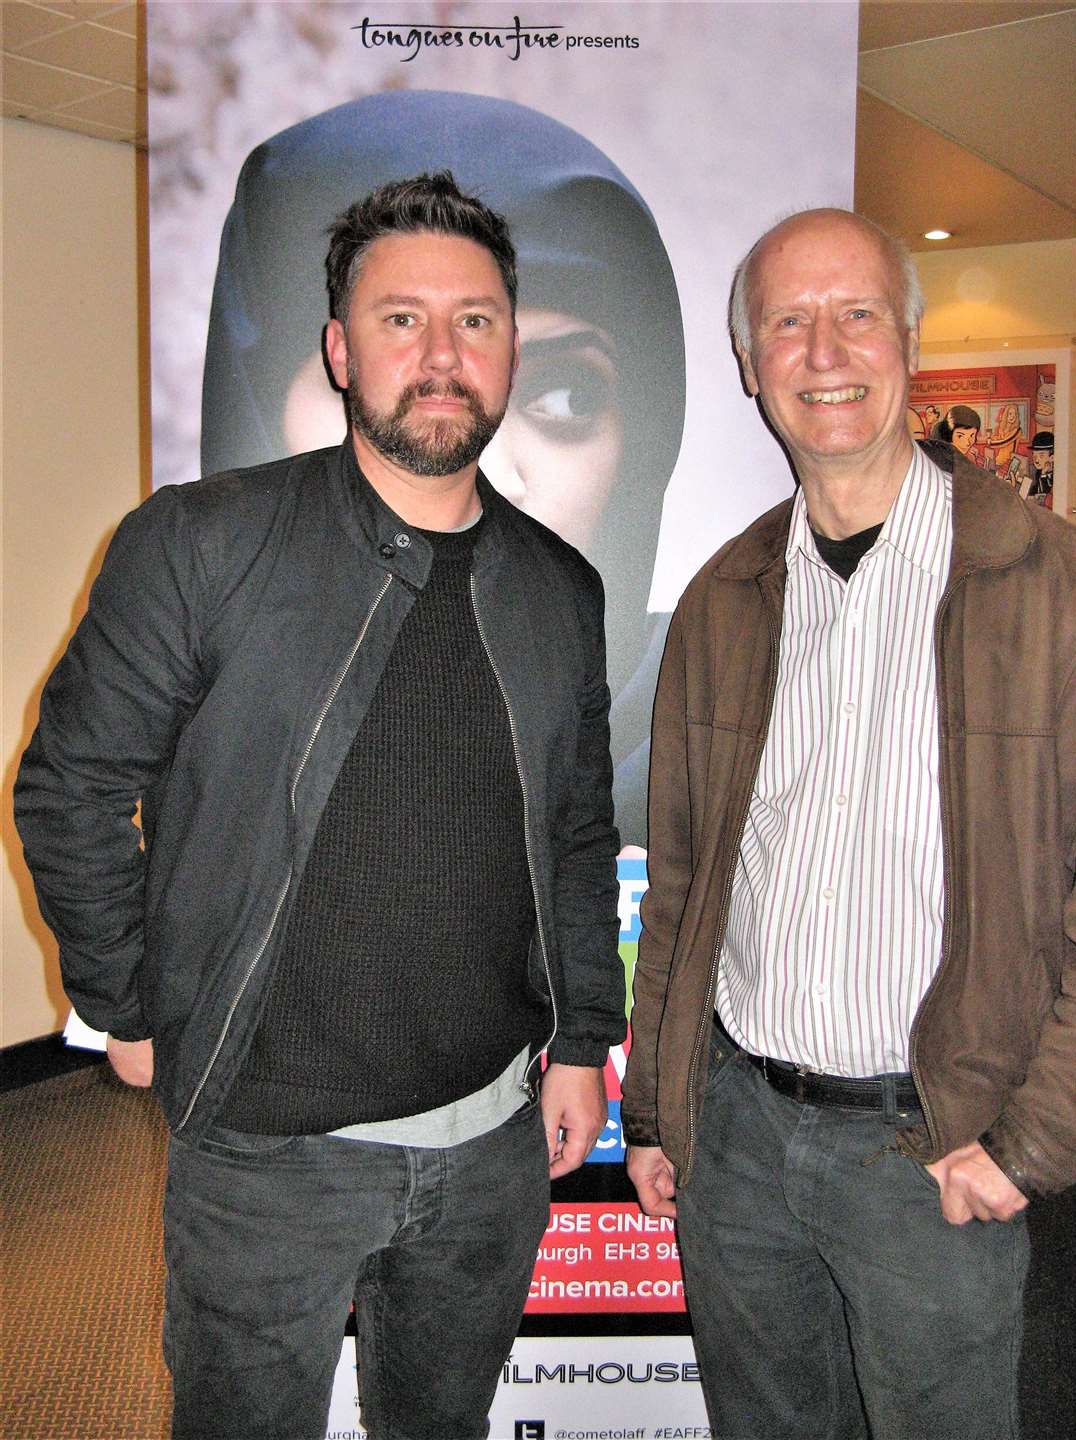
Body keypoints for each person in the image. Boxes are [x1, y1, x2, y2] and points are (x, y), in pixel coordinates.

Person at [16, 173, 625, 1440]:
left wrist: (578, 1041)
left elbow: (574, 836)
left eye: (477, 320)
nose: (443, 353)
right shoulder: (203, 541)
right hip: (265, 1150)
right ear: (341, 351)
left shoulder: (558, 589)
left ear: (510, 348)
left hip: (492, 1140)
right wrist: (123, 1004)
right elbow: (70, 785)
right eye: (402, 320)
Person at [622, 208, 1076, 1440]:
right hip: (743, 1141)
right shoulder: (725, 597)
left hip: (930, 1148)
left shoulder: (1050, 585)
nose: (825, 351)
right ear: (750, 362)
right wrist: (662, 1111)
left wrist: (1026, 1143)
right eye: (788, 321)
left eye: (857, 313)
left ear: (911, 343)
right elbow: (680, 885)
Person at [199, 90, 686, 846]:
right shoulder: (190, 567)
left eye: (566, 394)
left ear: (646, 443)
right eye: (400, 337)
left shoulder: (690, 722)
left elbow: (579, 888)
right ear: (329, 361)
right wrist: (155, 968)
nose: (468, 440)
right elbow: (73, 800)